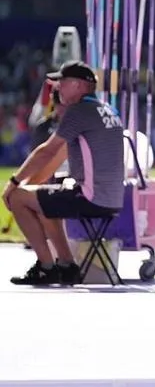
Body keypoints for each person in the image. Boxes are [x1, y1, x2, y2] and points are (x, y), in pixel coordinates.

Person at [3, 61, 125, 285]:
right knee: (44, 201)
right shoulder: (107, 109)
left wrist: (14, 183)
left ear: (78, 85)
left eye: (62, 82)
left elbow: (47, 152)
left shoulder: (78, 111)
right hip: (113, 198)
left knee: (18, 198)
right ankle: (66, 266)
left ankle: (47, 267)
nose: (57, 87)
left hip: (91, 198)